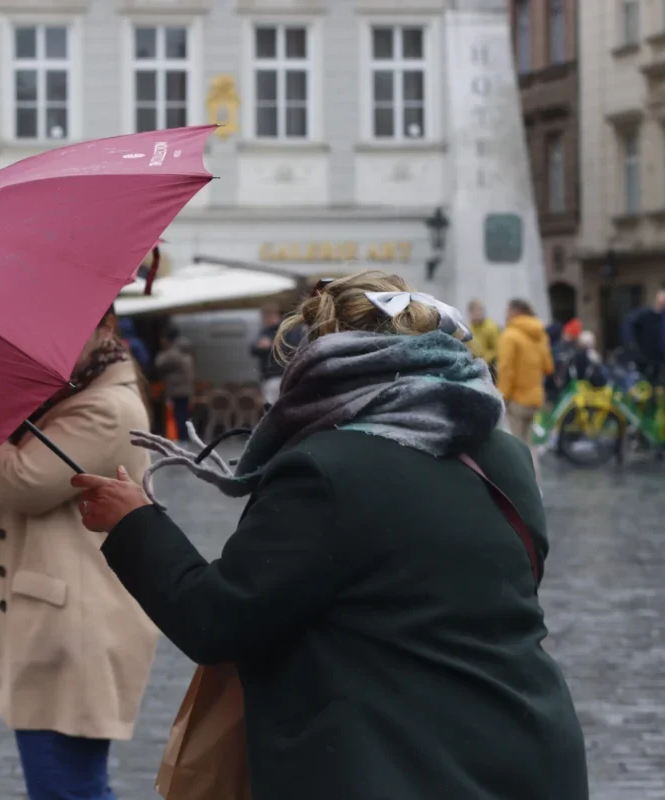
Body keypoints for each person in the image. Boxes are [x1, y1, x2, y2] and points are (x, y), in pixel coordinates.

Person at [71, 271, 588, 800]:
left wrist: (134, 523)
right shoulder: (505, 456)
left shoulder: (325, 470)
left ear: (325, 362)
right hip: (531, 754)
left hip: (398, 768)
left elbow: (216, 618)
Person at [0, 307, 158, 800]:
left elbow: (22, 482)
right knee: (68, 786)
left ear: (105, 327)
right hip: (56, 624)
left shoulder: (106, 407)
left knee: (66, 788)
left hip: (72, 631)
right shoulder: (78, 392)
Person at [497, 298, 555, 470]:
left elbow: (506, 370)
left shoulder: (510, 335)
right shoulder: (540, 334)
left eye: (507, 311)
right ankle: (534, 482)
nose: (505, 315)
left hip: (516, 400)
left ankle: (521, 484)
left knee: (516, 448)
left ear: (515, 312)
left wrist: (502, 398)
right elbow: (548, 367)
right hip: (535, 399)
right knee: (530, 447)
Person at [622, 289, 665, 384]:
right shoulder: (644, 315)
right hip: (644, 356)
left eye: (664, 301)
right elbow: (630, 328)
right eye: (661, 301)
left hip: (661, 358)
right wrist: (633, 346)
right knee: (644, 383)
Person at [155, 326, 195, 441]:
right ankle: (184, 437)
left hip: (177, 389)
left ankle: (182, 439)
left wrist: (162, 352)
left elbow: (159, 363)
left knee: (178, 415)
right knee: (183, 414)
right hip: (186, 388)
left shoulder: (173, 352)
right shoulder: (186, 350)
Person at [466, 299, 500, 365]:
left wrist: (485, 359)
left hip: (489, 364)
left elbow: (498, 350)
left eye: (479, 311)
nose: (477, 314)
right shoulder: (469, 328)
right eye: (474, 312)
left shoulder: (491, 327)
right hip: (474, 363)